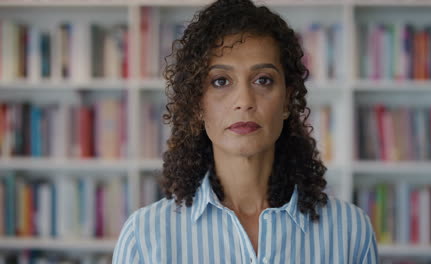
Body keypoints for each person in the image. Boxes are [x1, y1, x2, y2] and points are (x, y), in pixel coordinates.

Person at [112, 0, 378, 263]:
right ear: (198, 103)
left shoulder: (350, 232)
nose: (245, 100)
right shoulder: (144, 238)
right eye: (220, 81)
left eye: (263, 80)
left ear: (287, 101)